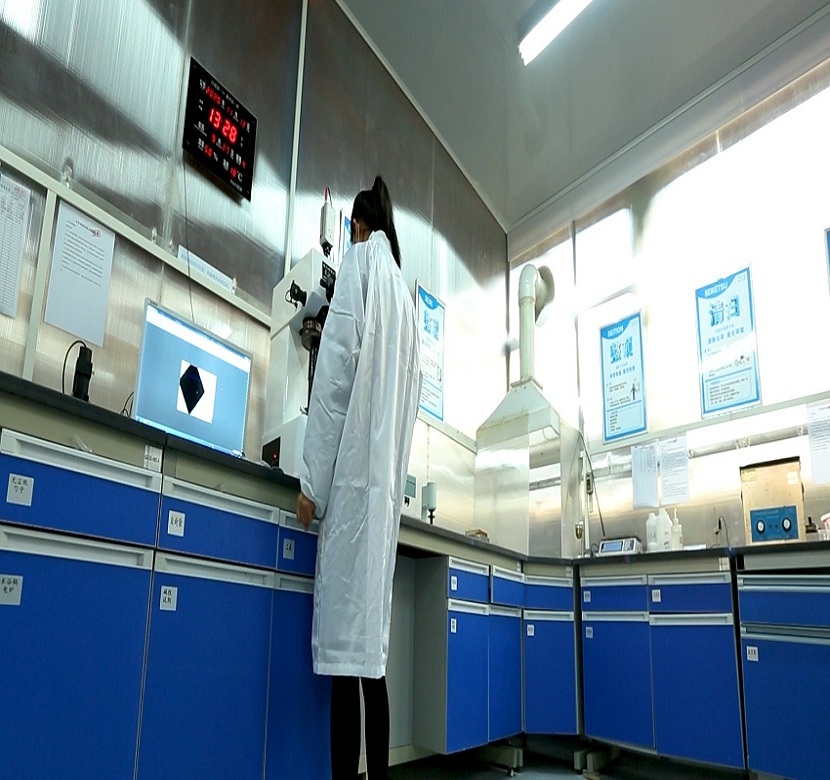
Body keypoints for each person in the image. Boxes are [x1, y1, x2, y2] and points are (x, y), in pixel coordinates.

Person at [296, 176, 422, 780]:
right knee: (372, 654)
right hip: (383, 497)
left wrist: (311, 482)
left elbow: (334, 380)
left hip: (349, 490)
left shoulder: (359, 263)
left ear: (356, 225)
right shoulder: (406, 300)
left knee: (347, 658)